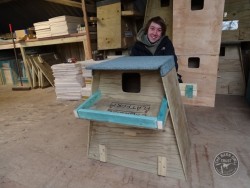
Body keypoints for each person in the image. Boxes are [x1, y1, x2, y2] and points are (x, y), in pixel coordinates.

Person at [130, 16, 182, 82]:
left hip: (163, 78)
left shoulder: (166, 43)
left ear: (162, 33)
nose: (155, 33)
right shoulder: (137, 46)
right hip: (144, 79)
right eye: (152, 29)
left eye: (159, 30)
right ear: (147, 30)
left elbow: (173, 65)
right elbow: (132, 68)